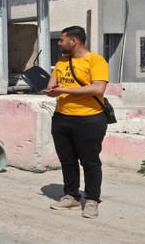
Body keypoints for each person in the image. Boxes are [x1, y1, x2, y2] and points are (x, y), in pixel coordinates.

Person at [42, 26, 109, 218]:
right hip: (62, 117)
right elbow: (53, 84)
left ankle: (92, 200)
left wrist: (64, 90)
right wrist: (52, 88)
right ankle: (71, 195)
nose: (59, 43)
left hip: (89, 118)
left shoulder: (96, 61)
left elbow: (98, 89)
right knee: (67, 160)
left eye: (61, 40)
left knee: (90, 162)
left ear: (74, 41)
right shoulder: (62, 62)